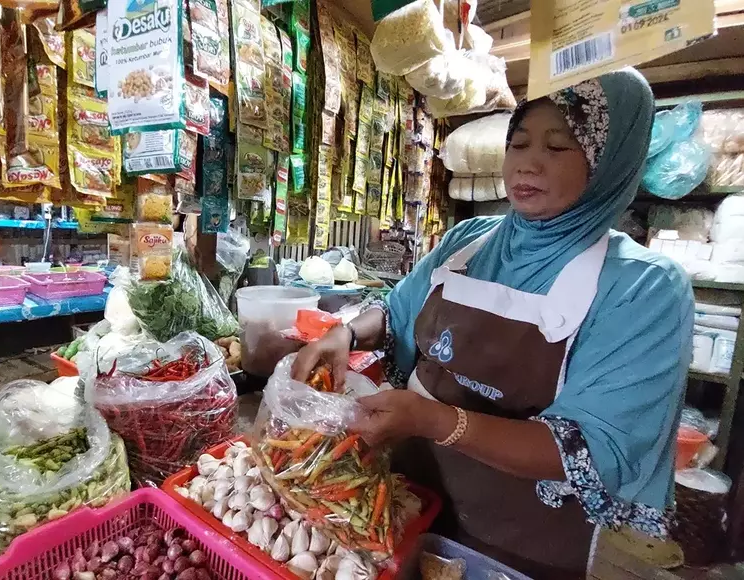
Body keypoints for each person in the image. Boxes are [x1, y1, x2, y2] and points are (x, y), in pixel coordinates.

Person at [292, 69, 693, 579]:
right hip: (406, 499)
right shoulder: (471, 241)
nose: (528, 162)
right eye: (518, 143)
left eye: (558, 147)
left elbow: (594, 448)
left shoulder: (644, 288)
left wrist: (434, 420)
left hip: (524, 538)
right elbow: (396, 312)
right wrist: (344, 333)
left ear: (607, 163)